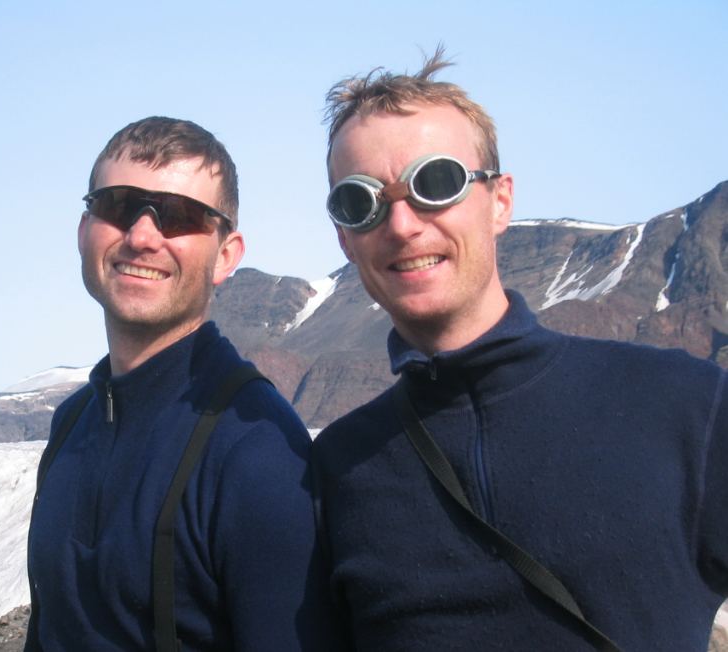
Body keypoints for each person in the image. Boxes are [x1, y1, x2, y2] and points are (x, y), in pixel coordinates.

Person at [311, 47, 728, 651]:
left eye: (436, 183)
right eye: (361, 201)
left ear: (500, 201)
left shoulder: (683, 407)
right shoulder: (339, 469)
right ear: (345, 239)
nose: (402, 224)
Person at [26, 116, 342, 651]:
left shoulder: (255, 450)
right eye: (118, 206)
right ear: (84, 231)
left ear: (226, 255)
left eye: (179, 216)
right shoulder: (72, 424)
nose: (142, 237)